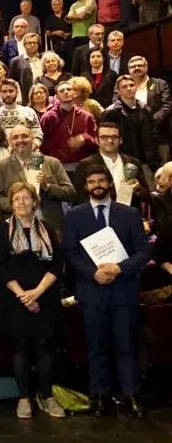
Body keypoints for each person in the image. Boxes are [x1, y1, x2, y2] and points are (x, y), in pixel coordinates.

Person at [62, 165, 149, 418]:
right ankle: (98, 395)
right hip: (92, 290)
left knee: (126, 344)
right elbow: (69, 252)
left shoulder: (130, 213)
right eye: (92, 182)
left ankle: (131, 393)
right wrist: (93, 273)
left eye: (102, 180)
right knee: (96, 345)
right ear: (86, 186)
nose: (97, 185)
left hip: (124, 289)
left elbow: (143, 251)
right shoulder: (76, 215)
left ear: (110, 183)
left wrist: (119, 268)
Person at [0, 183, 66, 419]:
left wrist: (37, 292)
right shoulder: (2, 230)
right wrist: (24, 295)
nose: (21, 203)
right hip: (15, 298)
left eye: (26, 198)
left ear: (35, 202)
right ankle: (24, 399)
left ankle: (47, 397)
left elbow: (57, 264)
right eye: (16, 200)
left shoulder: (48, 228)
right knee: (21, 347)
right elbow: (0, 267)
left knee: (45, 346)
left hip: (45, 296)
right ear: (11, 204)